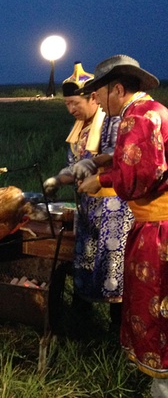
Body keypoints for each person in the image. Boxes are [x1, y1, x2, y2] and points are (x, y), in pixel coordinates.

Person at [77, 55, 168, 395]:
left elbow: (135, 179)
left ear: (117, 89)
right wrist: (109, 159)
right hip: (157, 223)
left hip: (158, 228)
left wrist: (100, 180)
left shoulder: (135, 118)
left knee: (156, 306)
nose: (96, 101)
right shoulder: (154, 110)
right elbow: (147, 162)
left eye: (98, 94)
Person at [43, 61, 133, 325]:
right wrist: (57, 180)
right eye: (67, 104)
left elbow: (119, 156)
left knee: (113, 267)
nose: (71, 109)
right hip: (87, 208)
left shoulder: (113, 122)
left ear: (94, 98)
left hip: (114, 209)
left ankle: (117, 327)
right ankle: (81, 321)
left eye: (75, 103)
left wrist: (93, 166)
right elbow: (74, 167)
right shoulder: (80, 128)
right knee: (84, 262)